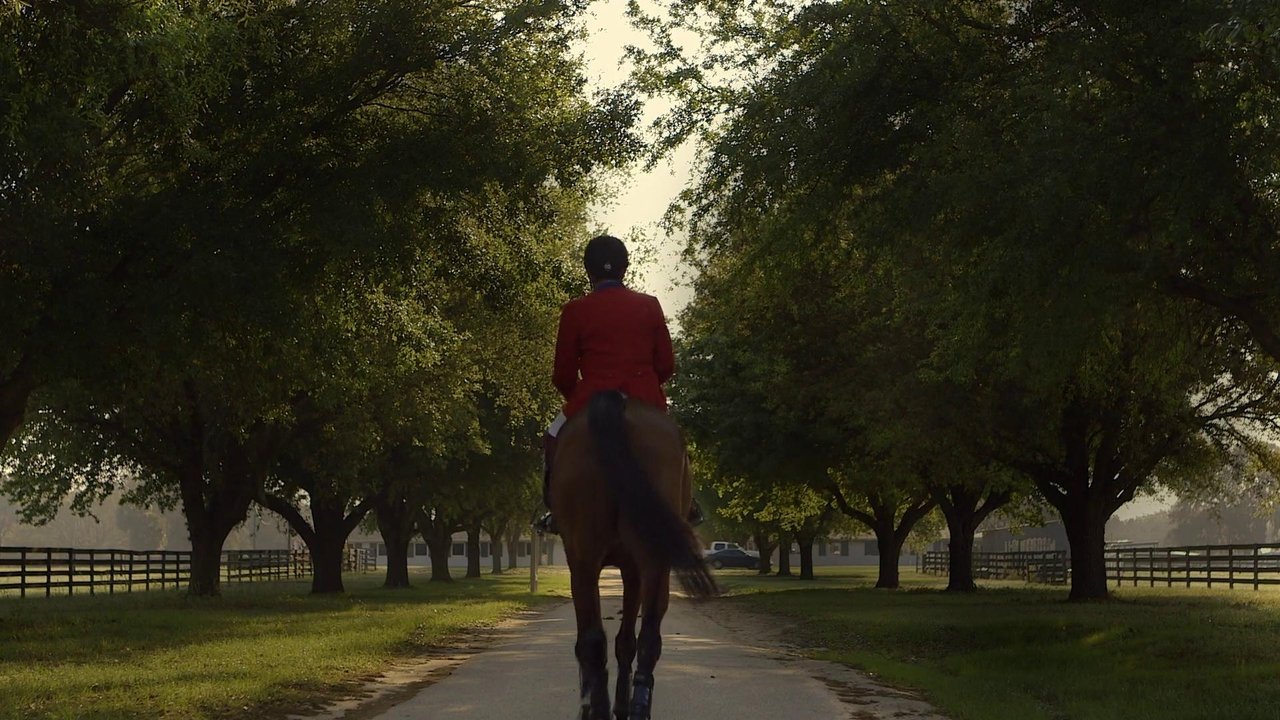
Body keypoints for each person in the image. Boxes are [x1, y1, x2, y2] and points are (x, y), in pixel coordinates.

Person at [535, 234, 703, 534]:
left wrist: (580, 396)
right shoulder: (649, 306)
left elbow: (562, 374)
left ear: (589, 272)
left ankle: (556, 511)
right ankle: (686, 504)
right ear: (625, 269)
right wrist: (646, 389)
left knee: (552, 438)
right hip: (644, 395)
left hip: (591, 396)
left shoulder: (574, 310)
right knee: (674, 442)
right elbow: (666, 365)